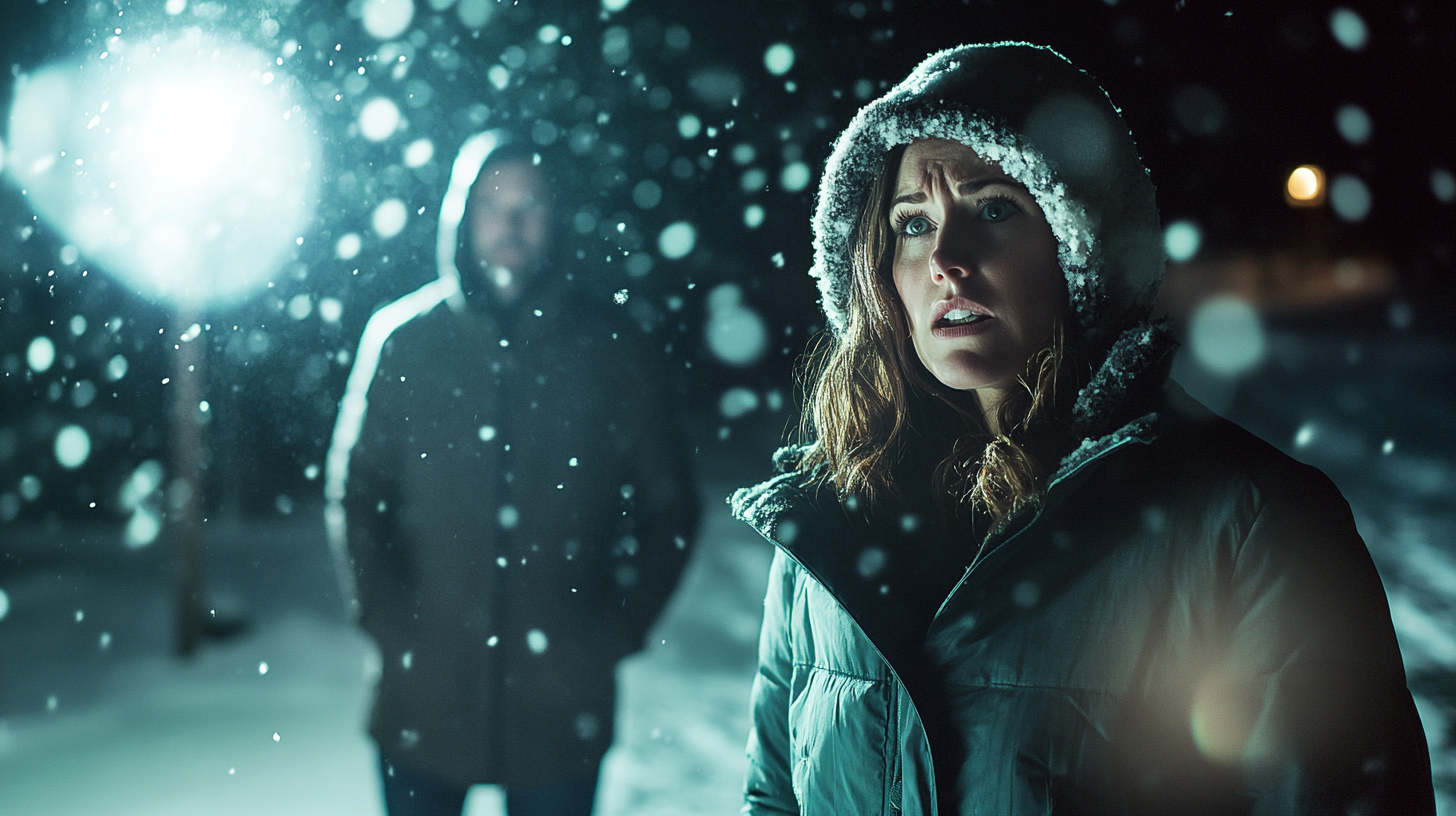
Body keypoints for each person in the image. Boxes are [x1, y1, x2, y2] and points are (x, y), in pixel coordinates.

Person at [731, 43, 1434, 815]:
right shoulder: (831, 516)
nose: (947, 260)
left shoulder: (1254, 522)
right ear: (873, 267)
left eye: (995, 209)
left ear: (1081, 244)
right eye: (912, 224)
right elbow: (776, 796)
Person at [334, 134, 700, 816]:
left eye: (529, 203)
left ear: (557, 216)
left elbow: (669, 508)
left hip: (560, 713)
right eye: (492, 204)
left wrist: (612, 632)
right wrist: (391, 624)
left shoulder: (612, 348)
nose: (510, 223)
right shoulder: (405, 341)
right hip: (423, 699)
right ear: (461, 216)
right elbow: (359, 496)